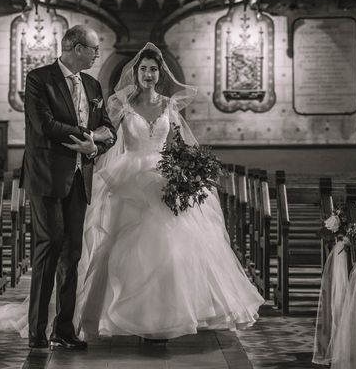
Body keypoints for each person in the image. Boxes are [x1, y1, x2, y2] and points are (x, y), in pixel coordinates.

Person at [74, 42, 264, 341]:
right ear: (135, 73)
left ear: (160, 74)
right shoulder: (122, 105)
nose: (148, 74)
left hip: (165, 177)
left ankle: (167, 314)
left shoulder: (169, 106)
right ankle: (120, 314)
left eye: (153, 69)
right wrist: (92, 143)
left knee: (174, 246)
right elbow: (108, 136)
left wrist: (189, 170)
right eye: (143, 69)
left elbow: (179, 144)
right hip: (129, 178)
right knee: (121, 245)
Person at [21, 24, 116, 350]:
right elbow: (44, 124)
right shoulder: (39, 79)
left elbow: (108, 129)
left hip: (79, 179)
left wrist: (96, 146)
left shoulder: (92, 84)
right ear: (76, 48)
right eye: (93, 49)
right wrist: (87, 135)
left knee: (72, 255)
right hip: (47, 178)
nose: (97, 54)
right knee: (49, 250)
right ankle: (37, 332)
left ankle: (64, 329)